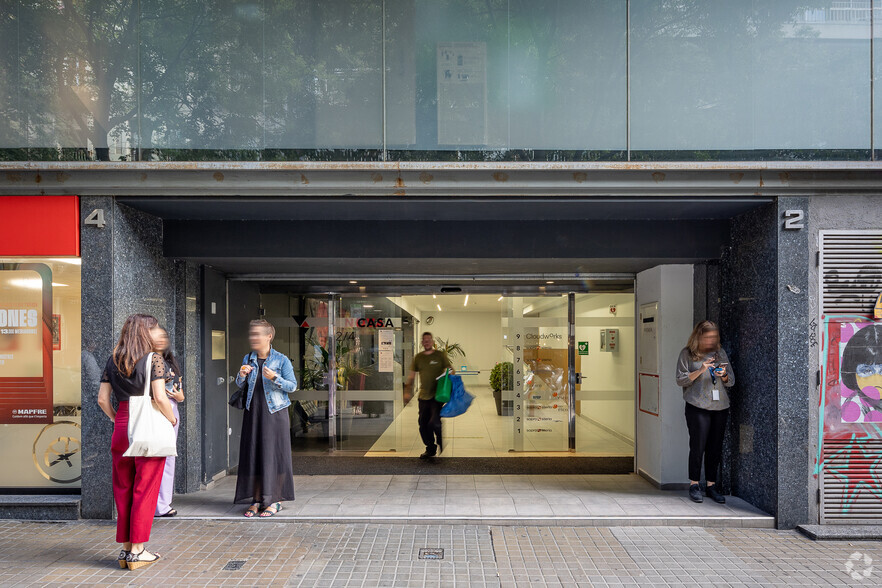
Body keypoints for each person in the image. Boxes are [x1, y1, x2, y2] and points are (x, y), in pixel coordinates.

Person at [97, 313, 177, 570]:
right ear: (145, 332)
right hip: (146, 428)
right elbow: (160, 397)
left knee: (123, 489)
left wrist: (117, 419)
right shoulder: (153, 359)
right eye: (154, 328)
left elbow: (101, 399)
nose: (158, 333)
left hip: (122, 425)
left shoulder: (113, 359)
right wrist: (172, 420)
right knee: (146, 488)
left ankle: (125, 549)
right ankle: (138, 550)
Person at [234, 319, 298, 517]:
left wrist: (274, 378)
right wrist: (241, 374)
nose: (253, 338)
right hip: (253, 413)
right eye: (252, 334)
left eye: (257, 334)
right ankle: (256, 499)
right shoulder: (248, 357)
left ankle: (275, 500)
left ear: (269, 336)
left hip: (275, 414)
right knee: (254, 454)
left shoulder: (281, 360)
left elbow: (293, 386)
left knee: (275, 455)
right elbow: (239, 384)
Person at [676, 320, 735, 504]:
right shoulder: (688, 354)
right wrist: (702, 369)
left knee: (715, 447)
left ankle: (711, 485)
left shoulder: (720, 353)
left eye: (714, 337)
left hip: (720, 407)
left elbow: (731, 381)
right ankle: (694, 484)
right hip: (697, 406)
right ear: (699, 336)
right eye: (708, 337)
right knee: (698, 445)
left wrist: (722, 374)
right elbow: (680, 380)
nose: (711, 340)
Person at [404, 332, 455, 459]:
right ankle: (430, 448)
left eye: (429, 340)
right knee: (423, 423)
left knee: (433, 422)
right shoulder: (418, 357)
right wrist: (407, 392)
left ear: (432, 342)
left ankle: (439, 439)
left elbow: (451, 369)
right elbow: (411, 376)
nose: (426, 342)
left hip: (437, 395)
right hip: (423, 396)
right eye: (424, 340)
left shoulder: (440, 355)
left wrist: (448, 376)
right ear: (422, 342)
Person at [153, 327, 184, 517]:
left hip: (171, 408)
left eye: (164, 336)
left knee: (167, 458)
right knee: (156, 459)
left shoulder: (170, 362)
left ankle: (163, 503)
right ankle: (158, 504)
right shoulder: (147, 361)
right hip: (158, 410)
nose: (161, 340)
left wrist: (180, 397)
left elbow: (180, 392)